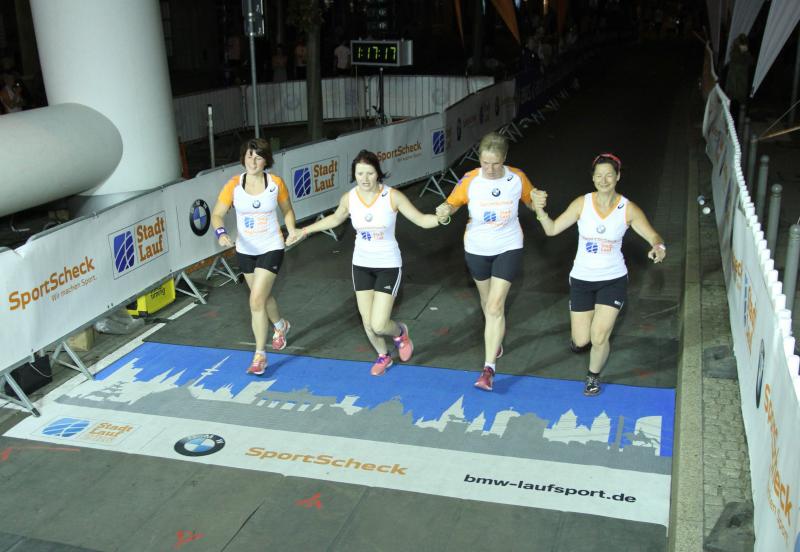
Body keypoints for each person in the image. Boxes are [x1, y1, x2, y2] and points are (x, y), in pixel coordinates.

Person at [286, 150, 448, 376]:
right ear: (354, 174)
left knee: (380, 324)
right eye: (359, 173)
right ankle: (383, 355)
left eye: (369, 173)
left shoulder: (392, 197)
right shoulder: (350, 198)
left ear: (377, 173)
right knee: (368, 321)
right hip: (361, 264)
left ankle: (400, 333)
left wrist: (441, 218)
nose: (364, 178)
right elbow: (335, 219)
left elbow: (421, 220)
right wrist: (304, 231)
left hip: (388, 265)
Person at [530, 153, 666, 396]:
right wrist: (540, 211)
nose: (604, 180)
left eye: (609, 175)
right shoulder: (581, 204)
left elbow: (653, 236)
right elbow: (552, 230)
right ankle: (579, 340)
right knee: (582, 340)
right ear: (593, 178)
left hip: (613, 279)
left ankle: (593, 376)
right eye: (599, 175)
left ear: (618, 177)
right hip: (582, 279)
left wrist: (658, 246)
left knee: (600, 336)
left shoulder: (627, 208)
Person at [435, 132, 537, 392]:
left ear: (505, 158)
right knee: (486, 302)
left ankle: (488, 369)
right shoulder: (470, 179)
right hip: (477, 248)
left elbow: (531, 201)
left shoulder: (517, 178)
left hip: (508, 246)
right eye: (485, 163)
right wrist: (444, 210)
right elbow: (451, 204)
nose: (490, 169)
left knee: (494, 305)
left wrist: (539, 202)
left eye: (495, 163)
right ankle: (495, 335)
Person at [211, 138, 297, 376]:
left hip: (271, 247)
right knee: (262, 297)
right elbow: (217, 214)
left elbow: (287, 210)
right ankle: (280, 325)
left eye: (258, 157)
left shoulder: (275, 184)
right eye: (249, 156)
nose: (253, 161)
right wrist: (221, 233)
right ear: (243, 158)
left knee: (256, 300)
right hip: (245, 250)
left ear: (266, 161)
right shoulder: (234, 185)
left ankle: (260, 355)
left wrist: (291, 230)